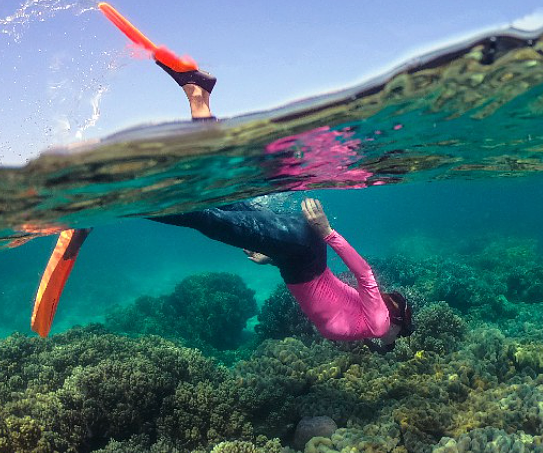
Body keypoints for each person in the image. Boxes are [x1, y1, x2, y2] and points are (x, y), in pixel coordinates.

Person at [150, 62, 414, 352]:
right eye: (398, 339)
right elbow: (364, 273)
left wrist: (272, 258)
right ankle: (141, 201)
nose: (390, 344)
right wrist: (327, 231)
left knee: (220, 201)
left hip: (295, 252)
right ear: (397, 324)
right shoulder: (378, 323)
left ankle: (199, 97)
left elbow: (321, 291)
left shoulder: (366, 321)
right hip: (302, 249)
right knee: (208, 218)